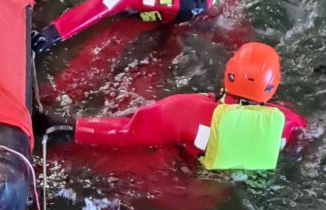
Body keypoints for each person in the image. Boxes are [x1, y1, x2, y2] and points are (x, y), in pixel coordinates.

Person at [42, 42, 307, 172]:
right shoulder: (288, 121)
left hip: (184, 177)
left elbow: (128, 132)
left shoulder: (188, 112)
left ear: (228, 72)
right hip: (226, 188)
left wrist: (62, 126)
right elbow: (302, 143)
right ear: (273, 86)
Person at [32, 0, 219, 55]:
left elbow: (108, 2)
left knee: (102, 50)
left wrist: (53, 33)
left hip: (167, 17)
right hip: (190, 14)